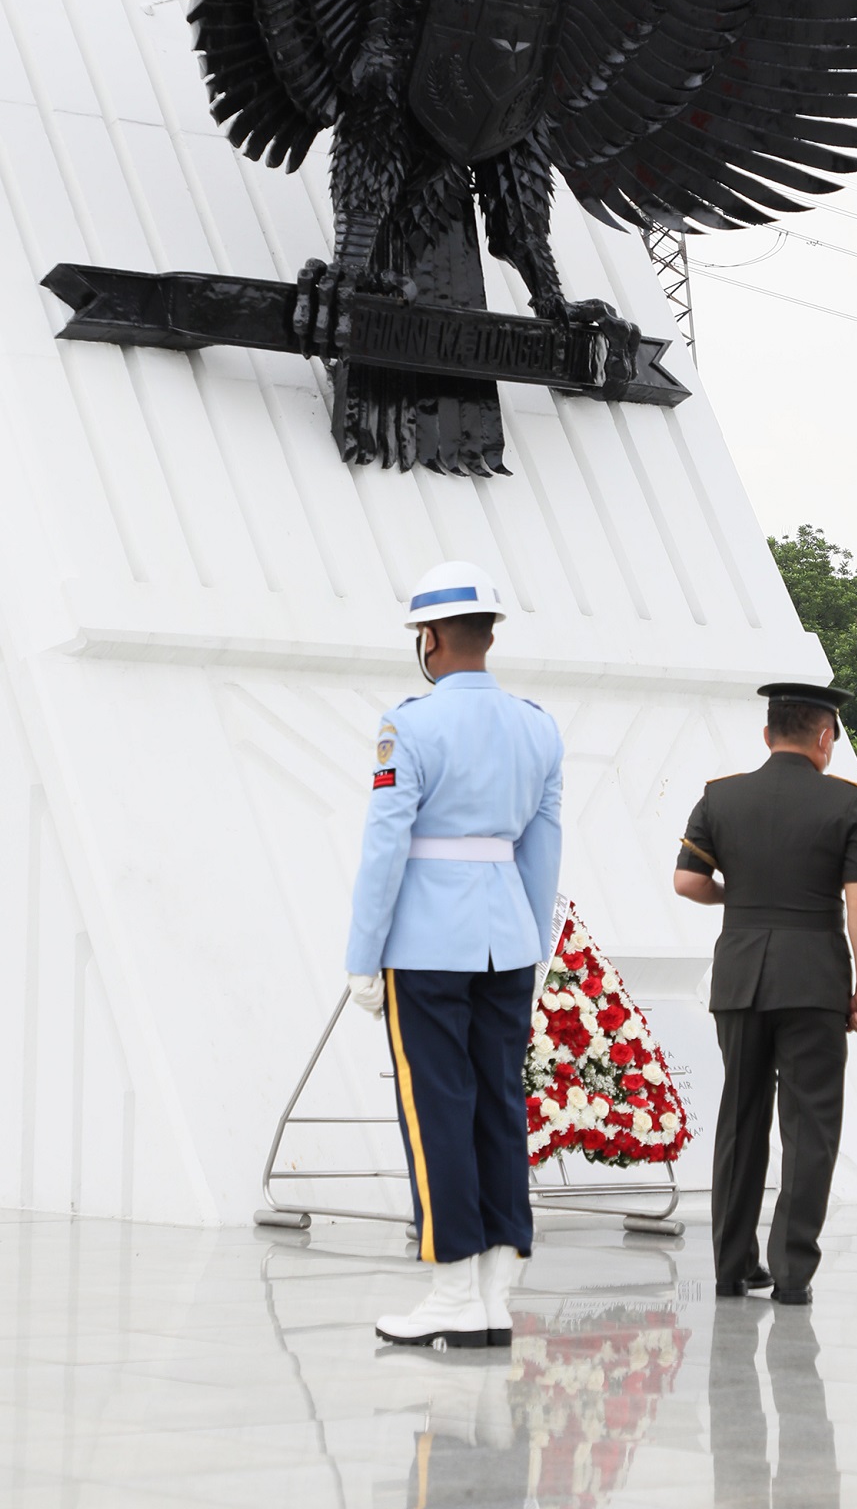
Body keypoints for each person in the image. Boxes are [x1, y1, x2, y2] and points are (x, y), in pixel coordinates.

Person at [344, 558, 563, 1347]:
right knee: (500, 1105)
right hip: (507, 940)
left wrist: (363, 955)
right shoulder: (538, 725)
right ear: (489, 633)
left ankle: (450, 1290)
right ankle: (497, 1283)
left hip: (427, 944)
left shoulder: (410, 724)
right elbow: (544, 848)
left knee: (438, 1107)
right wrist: (533, 946)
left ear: (430, 639)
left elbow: (386, 847)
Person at [674, 681, 857, 1306]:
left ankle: (731, 1268)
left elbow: (687, 881)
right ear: (825, 738)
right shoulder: (845, 805)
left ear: (768, 734)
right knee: (810, 1124)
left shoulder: (721, 797)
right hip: (813, 979)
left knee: (740, 1118)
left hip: (739, 975)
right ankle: (791, 1272)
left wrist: (734, 898)